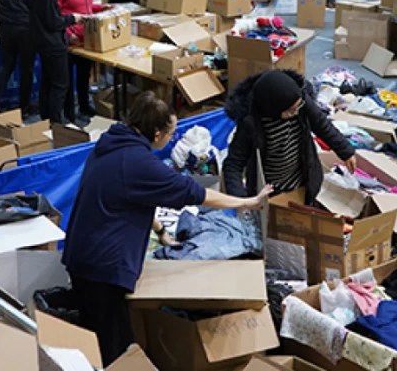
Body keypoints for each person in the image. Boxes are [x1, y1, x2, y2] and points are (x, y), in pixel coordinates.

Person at [63, 91, 274, 366]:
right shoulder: (140, 163)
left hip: (81, 255)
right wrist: (247, 201)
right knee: (115, 350)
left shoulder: (110, 143)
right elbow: (196, 193)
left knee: (94, 338)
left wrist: (161, 231)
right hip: (103, 268)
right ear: (157, 133)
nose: (171, 139)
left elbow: (134, 195)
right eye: (171, 133)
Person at [223, 69, 358, 201]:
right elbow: (234, 163)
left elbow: (321, 124)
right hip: (270, 191)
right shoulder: (251, 123)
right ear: (272, 108)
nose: (296, 113)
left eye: (297, 108)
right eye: (290, 111)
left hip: (302, 180)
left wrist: (345, 150)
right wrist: (240, 199)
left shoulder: (300, 102)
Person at [25, 0, 83, 124]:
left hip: (41, 43)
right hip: (53, 44)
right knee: (60, 84)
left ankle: (47, 116)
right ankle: (56, 121)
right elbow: (54, 22)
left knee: (48, 81)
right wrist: (72, 18)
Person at [58, 0, 110, 122]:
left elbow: (86, 6)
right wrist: (68, 33)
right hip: (71, 39)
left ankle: (84, 105)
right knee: (66, 78)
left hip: (85, 37)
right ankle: (69, 113)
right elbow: (57, 14)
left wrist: (101, 8)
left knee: (84, 74)